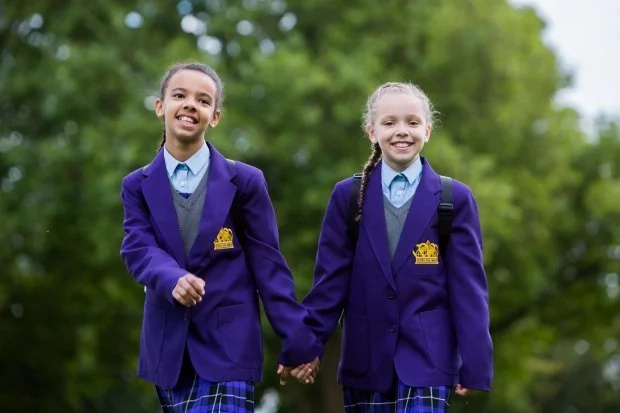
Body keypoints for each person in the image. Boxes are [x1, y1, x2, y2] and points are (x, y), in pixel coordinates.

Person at [120, 62, 320, 412]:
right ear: (159, 106)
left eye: (203, 100)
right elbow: (138, 247)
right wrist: (173, 279)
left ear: (215, 117)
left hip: (229, 349)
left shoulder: (246, 182)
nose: (190, 105)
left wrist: (299, 341)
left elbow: (269, 268)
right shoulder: (136, 185)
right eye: (179, 95)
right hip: (167, 355)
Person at [292, 82, 493, 412]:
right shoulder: (347, 197)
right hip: (364, 363)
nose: (402, 131)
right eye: (389, 123)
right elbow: (329, 284)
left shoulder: (453, 199)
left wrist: (476, 362)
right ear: (371, 131)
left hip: (428, 365)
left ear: (427, 131)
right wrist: (306, 345)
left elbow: (469, 290)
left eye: (413, 122)